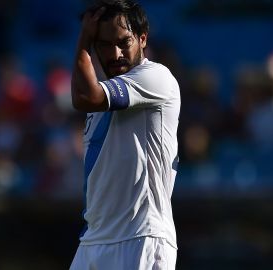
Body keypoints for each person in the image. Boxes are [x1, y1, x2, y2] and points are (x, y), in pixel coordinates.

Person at [69, 0, 180, 269]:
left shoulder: (156, 77)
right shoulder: (107, 92)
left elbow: (85, 96)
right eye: (104, 44)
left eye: (123, 42)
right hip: (94, 239)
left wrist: (84, 38)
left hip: (140, 237)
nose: (115, 53)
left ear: (142, 39)